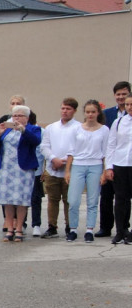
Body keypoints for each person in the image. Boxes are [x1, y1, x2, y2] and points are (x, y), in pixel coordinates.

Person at [0, 105, 41, 242]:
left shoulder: (33, 129)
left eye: (20, 116)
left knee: (21, 200)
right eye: (15, 115)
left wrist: (23, 130)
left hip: (23, 170)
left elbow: (36, 141)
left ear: (27, 118)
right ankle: (10, 229)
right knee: (7, 200)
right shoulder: (7, 130)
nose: (17, 118)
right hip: (7, 168)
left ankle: (19, 229)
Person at [64, 100, 108, 242]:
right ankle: (73, 229)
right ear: (84, 113)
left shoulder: (104, 130)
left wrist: (104, 171)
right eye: (88, 112)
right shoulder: (77, 129)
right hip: (78, 165)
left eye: (93, 112)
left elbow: (106, 152)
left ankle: (89, 229)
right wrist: (67, 171)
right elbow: (71, 151)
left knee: (92, 200)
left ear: (98, 113)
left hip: (95, 165)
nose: (90, 114)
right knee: (73, 199)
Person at [40, 98, 80, 238]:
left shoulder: (78, 128)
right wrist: (53, 159)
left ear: (74, 111)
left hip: (70, 170)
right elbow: (44, 146)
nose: (65, 111)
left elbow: (77, 148)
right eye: (63, 108)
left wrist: (64, 161)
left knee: (69, 199)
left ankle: (70, 226)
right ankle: (52, 226)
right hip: (53, 169)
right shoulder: (51, 127)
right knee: (53, 199)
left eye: (68, 109)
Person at [96, 81, 130, 237]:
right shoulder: (109, 115)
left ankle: (125, 227)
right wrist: (107, 165)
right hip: (114, 161)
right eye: (118, 94)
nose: (121, 97)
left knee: (124, 197)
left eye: (124, 94)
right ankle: (107, 227)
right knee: (108, 195)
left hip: (126, 162)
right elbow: (106, 140)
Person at [105, 95, 132, 244]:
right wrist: (109, 166)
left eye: (131, 104)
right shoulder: (119, 121)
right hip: (120, 164)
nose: (129, 107)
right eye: (127, 104)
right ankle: (121, 230)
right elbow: (111, 145)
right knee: (121, 199)